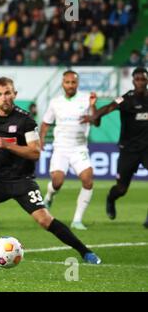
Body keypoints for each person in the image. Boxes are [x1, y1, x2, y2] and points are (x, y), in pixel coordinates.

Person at [0, 77, 101, 264]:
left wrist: (7, 145)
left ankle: (85, 252)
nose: (4, 98)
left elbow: (35, 152)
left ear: (15, 94)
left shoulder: (25, 120)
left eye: (7, 93)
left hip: (22, 181)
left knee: (45, 220)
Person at [81, 67, 147, 227]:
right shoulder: (125, 99)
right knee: (121, 189)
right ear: (133, 81)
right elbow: (109, 107)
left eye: (143, 79)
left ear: (146, 81)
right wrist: (94, 116)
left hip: (146, 149)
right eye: (137, 79)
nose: (140, 82)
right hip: (128, 150)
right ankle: (111, 198)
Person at [39, 70, 99, 230]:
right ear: (62, 84)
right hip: (61, 148)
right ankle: (50, 195)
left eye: (73, 82)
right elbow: (45, 123)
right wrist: (42, 138)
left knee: (88, 179)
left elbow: (96, 122)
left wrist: (93, 107)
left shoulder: (87, 99)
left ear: (77, 84)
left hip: (79, 147)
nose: (70, 85)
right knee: (57, 182)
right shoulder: (55, 102)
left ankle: (77, 220)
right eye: (67, 82)